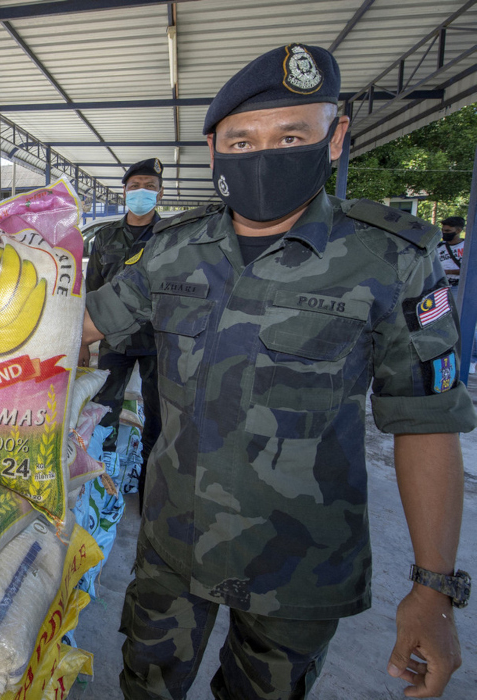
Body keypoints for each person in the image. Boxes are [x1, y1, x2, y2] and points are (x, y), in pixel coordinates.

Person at [81, 44, 476, 700]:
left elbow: (427, 423)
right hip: (171, 549)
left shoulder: (391, 259)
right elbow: (79, 327)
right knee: (145, 685)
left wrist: (434, 592)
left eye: (290, 134)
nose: (264, 154)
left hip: (300, 569)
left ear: (334, 137)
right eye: (242, 140)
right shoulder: (173, 252)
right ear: (213, 150)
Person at [83, 159, 164, 494]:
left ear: (160, 192)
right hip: (113, 341)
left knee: (158, 411)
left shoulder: (169, 236)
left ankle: (150, 479)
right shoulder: (105, 237)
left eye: (148, 186)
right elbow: (93, 289)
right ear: (125, 192)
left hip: (155, 339)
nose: (141, 192)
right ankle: (105, 470)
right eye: (134, 186)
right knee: (104, 406)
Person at [438, 216, 465, 289]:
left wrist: (448, 271)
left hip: (460, 286)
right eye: (442, 230)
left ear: (458, 231)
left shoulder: (468, 247)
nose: (444, 233)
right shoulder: (438, 246)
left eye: (447, 231)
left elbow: (470, 270)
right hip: (441, 286)